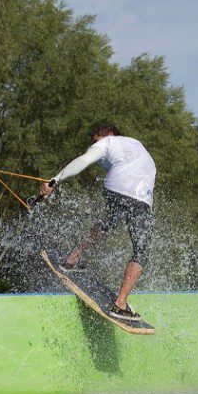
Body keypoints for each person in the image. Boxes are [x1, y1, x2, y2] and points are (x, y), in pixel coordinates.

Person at [39, 123, 156, 322]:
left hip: (117, 188)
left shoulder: (108, 142)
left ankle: (71, 259)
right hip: (140, 197)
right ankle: (120, 304)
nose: (93, 146)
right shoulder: (135, 145)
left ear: (109, 134)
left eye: (95, 141)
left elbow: (83, 160)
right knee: (141, 251)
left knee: (106, 224)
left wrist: (53, 181)